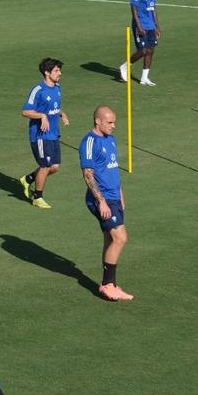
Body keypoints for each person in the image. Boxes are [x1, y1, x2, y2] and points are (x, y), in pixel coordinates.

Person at [79, 107, 133, 301]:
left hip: (114, 197)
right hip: (101, 199)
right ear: (98, 121)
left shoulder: (111, 140)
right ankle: (107, 285)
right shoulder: (89, 142)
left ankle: (112, 284)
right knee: (120, 238)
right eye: (109, 122)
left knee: (110, 239)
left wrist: (121, 195)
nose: (113, 126)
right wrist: (101, 201)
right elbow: (88, 174)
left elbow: (113, 169)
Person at [19, 58, 69, 209]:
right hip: (40, 136)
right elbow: (25, 111)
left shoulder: (57, 87)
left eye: (59, 70)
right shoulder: (38, 90)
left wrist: (62, 114)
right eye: (56, 70)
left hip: (54, 133)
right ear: (47, 73)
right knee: (45, 166)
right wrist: (41, 116)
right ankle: (37, 197)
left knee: (55, 167)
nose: (60, 73)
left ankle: (28, 179)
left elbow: (54, 107)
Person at [119, 0, 164, 86]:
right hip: (141, 26)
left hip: (151, 27)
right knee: (143, 50)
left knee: (151, 50)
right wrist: (139, 26)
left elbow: (153, 10)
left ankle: (144, 78)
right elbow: (134, 8)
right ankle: (125, 66)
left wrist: (157, 26)